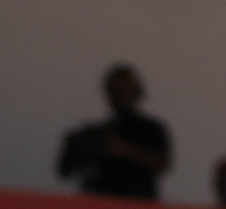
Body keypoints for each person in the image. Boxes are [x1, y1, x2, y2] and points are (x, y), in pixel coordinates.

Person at [56, 63, 170, 200]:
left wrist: (125, 150)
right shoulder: (97, 133)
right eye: (116, 90)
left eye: (125, 90)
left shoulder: (150, 130)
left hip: (137, 204)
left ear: (136, 91)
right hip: (101, 204)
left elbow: (162, 163)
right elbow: (65, 170)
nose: (120, 95)